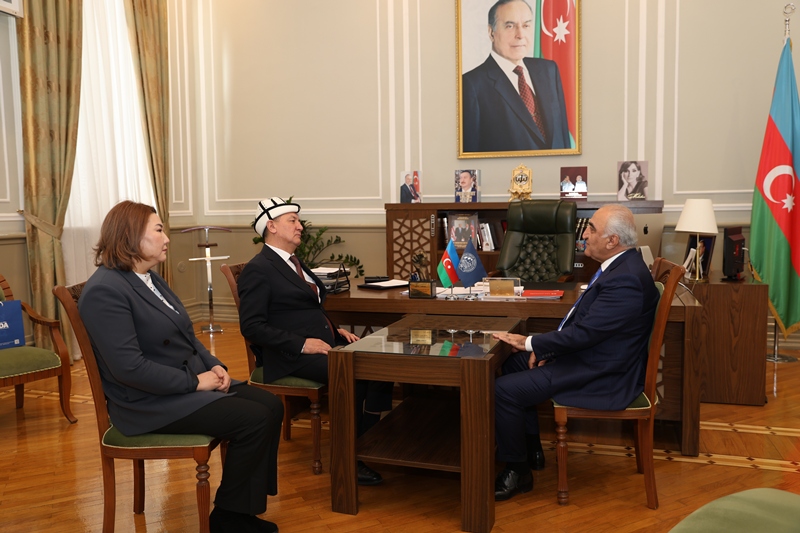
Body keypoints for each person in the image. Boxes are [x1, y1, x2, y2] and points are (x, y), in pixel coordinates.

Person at [78, 201, 283, 533]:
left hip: (176, 388)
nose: (167, 238)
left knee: (271, 405)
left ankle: (241, 509)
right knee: (254, 418)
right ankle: (229, 518)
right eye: (159, 230)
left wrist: (215, 366)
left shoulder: (149, 278)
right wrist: (195, 382)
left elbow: (187, 336)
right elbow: (129, 369)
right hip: (145, 404)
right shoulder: (105, 291)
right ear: (131, 236)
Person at [491, 204, 660, 501]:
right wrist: (544, 347)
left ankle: (518, 471)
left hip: (603, 373)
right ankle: (531, 450)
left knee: (503, 391)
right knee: (515, 364)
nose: (584, 234)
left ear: (612, 241)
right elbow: (586, 328)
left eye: (592, 229)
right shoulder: (621, 266)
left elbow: (585, 334)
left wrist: (533, 343)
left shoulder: (626, 279)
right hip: (594, 356)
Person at [238, 197, 394, 486]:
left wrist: (335, 331)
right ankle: (349, 459)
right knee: (355, 373)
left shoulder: (293, 262)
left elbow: (308, 307)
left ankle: (367, 441)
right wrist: (302, 344)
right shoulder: (258, 269)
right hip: (288, 356)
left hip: (321, 345)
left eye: (298, 221)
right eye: (293, 221)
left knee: (380, 367)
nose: (300, 226)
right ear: (271, 226)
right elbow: (252, 327)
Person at [462, 0, 571, 153]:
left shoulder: (549, 70)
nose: (520, 35)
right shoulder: (471, 85)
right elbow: (471, 155)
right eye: (510, 26)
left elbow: (563, 138)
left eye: (526, 26)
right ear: (491, 32)